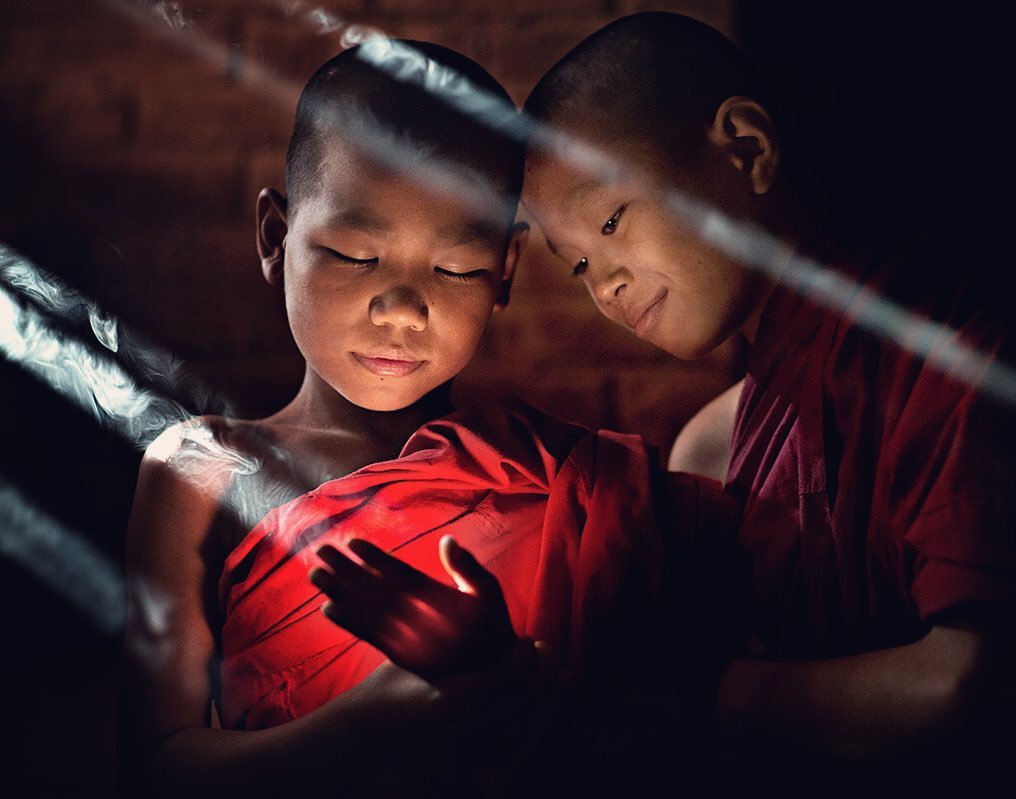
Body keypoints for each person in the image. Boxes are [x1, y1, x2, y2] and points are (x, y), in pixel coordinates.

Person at [311, 12, 1015, 792]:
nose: (605, 285)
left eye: (612, 220)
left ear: (746, 148)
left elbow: (978, 690)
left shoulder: (947, 340)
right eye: (578, 263)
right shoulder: (719, 442)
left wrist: (705, 692)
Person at [120, 38, 546, 798]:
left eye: (455, 268)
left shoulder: (544, 478)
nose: (405, 308)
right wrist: (360, 732)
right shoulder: (202, 470)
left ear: (505, 272)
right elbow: (155, 767)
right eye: (355, 253)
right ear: (275, 238)